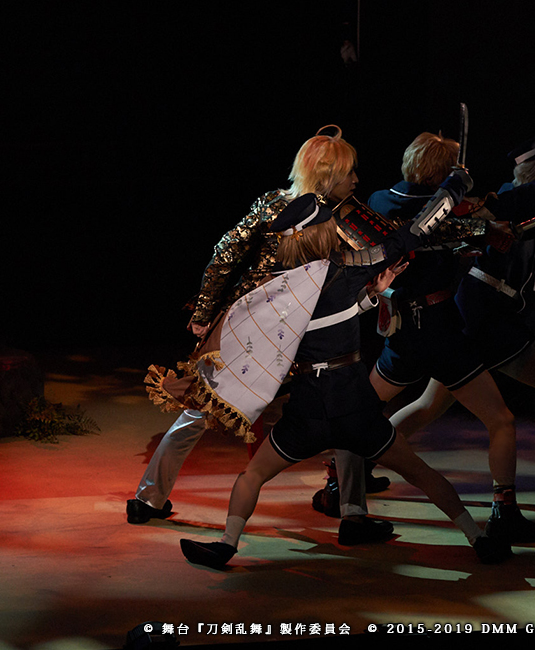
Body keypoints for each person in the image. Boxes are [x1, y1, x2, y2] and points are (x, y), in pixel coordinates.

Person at [178, 189, 513, 569]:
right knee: (420, 472)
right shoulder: (349, 269)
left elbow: (312, 322)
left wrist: (369, 297)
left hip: (307, 411)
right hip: (354, 407)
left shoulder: (273, 286)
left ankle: (226, 543)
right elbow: (412, 233)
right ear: (323, 233)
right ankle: (478, 538)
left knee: (252, 474)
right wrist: (452, 189)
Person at [327, 131, 535, 545]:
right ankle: (503, 511)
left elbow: (448, 228)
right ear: (440, 174)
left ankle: (345, 496)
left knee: (362, 415)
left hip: (405, 333)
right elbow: (466, 215)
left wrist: (469, 235)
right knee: (500, 420)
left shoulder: (381, 200)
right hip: (440, 333)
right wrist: (474, 221)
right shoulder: (438, 210)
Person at [387, 131, 535, 522]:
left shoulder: (533, 201)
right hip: (486, 316)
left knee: (428, 406)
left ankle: (352, 470)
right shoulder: (511, 200)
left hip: (480, 313)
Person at [134, 126, 361, 532]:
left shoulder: (286, 205)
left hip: (263, 326)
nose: (357, 180)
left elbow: (225, 254)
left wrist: (205, 310)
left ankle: (147, 499)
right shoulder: (329, 216)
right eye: (350, 172)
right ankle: (353, 511)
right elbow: (227, 254)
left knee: (200, 410)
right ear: (328, 176)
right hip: (285, 330)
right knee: (343, 408)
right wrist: (204, 310)